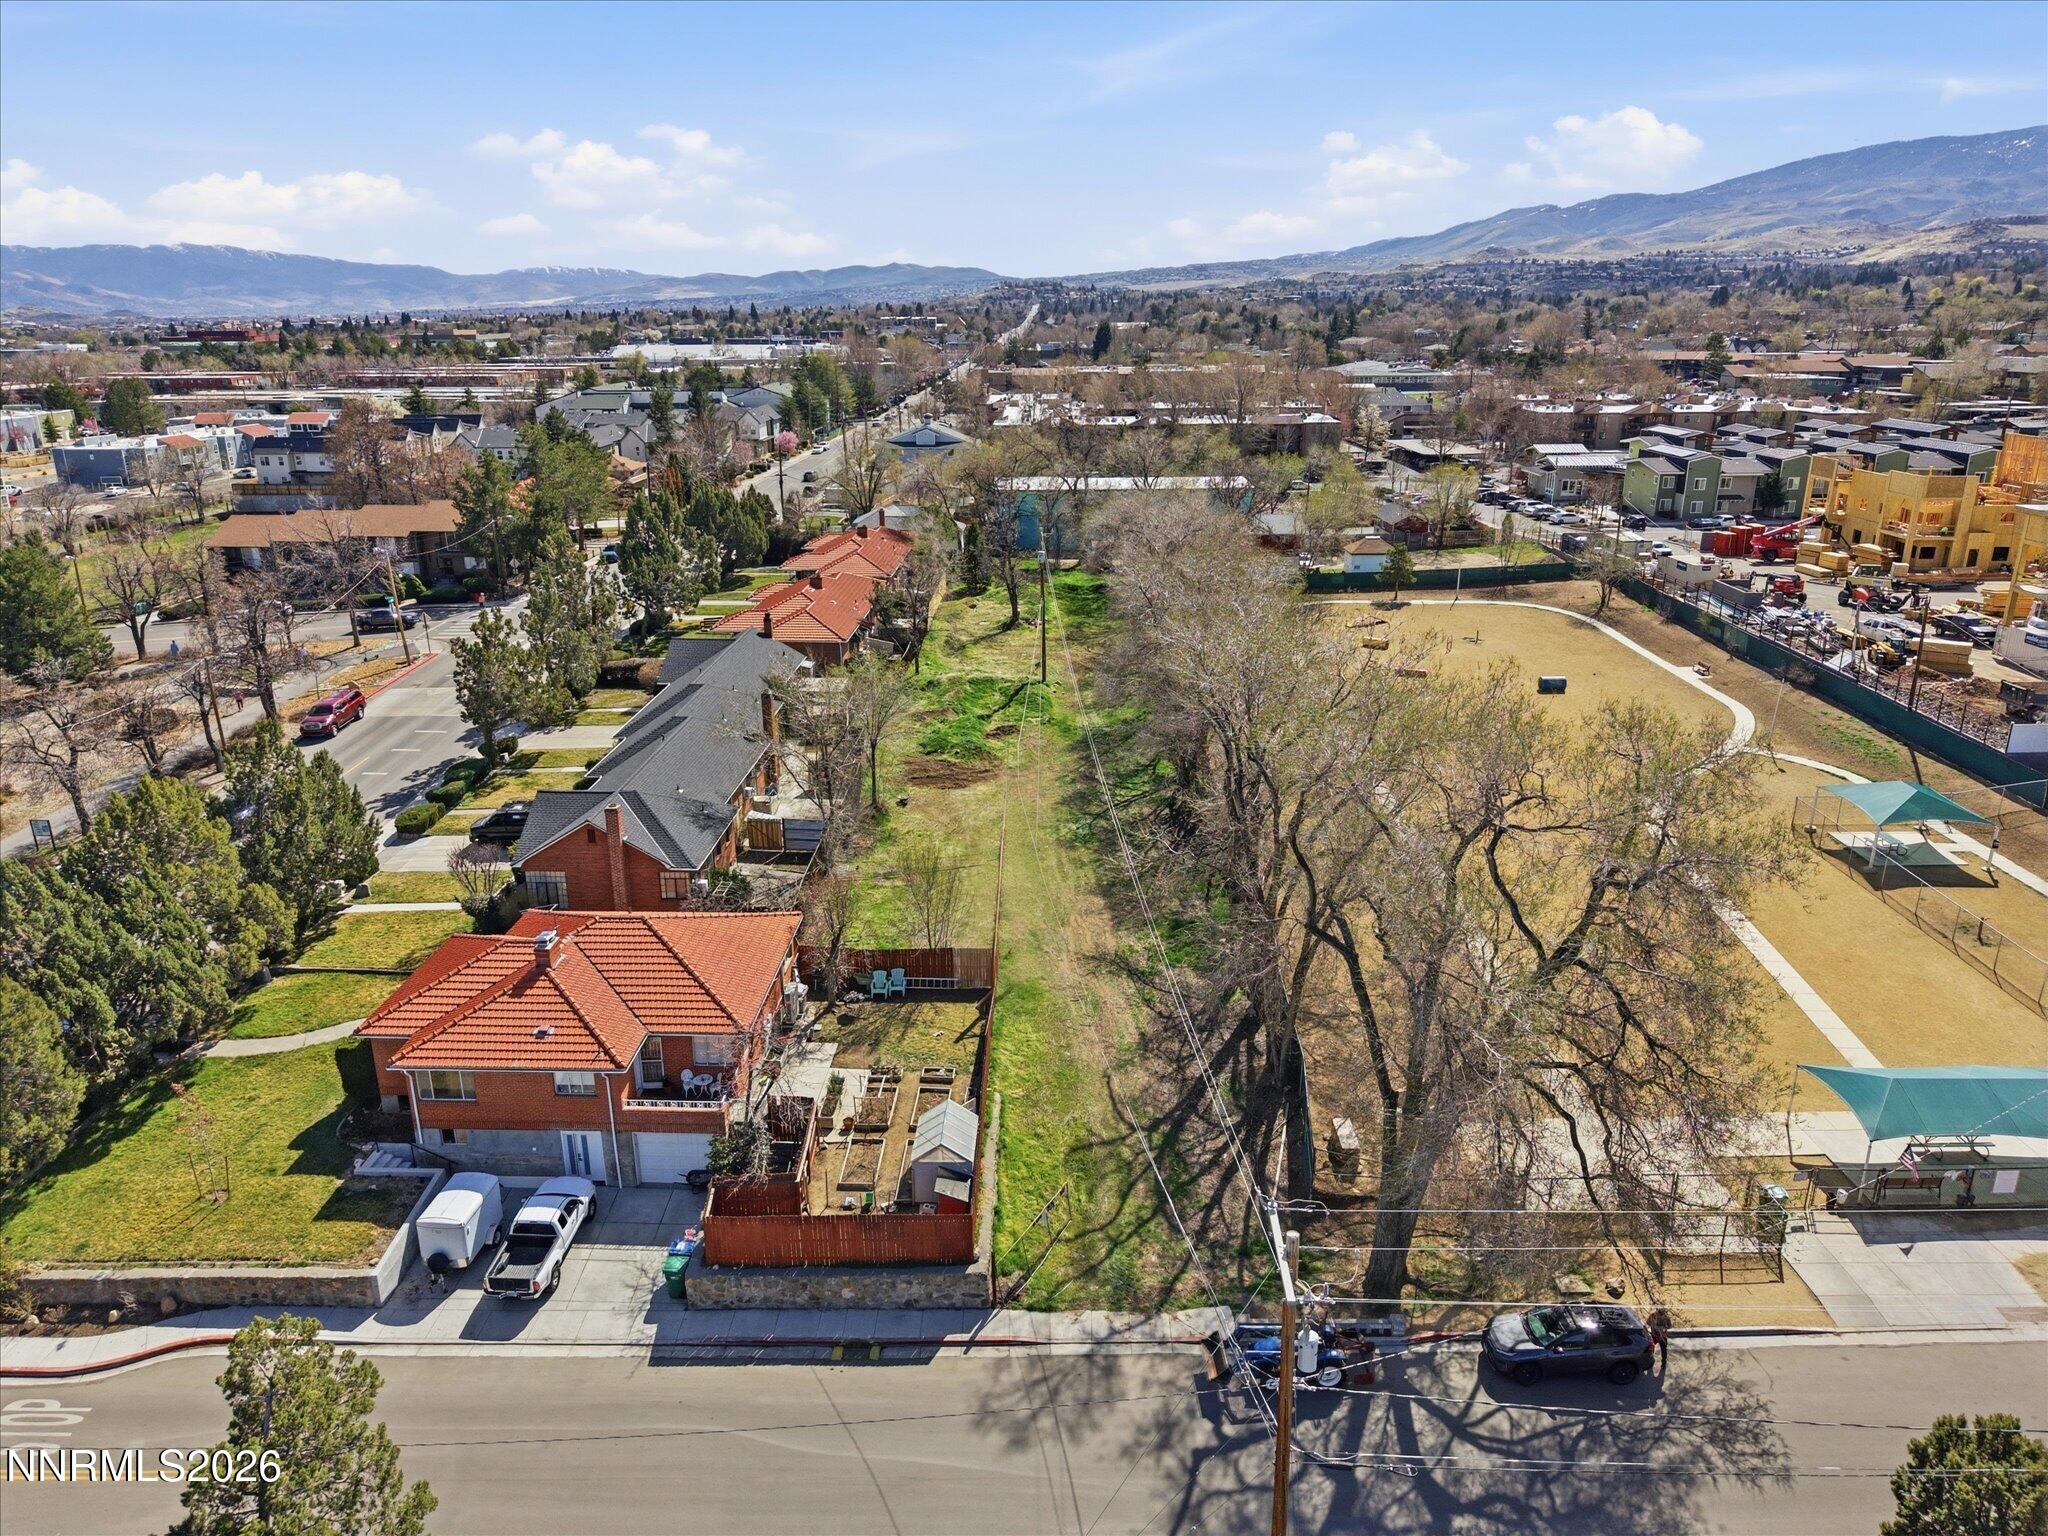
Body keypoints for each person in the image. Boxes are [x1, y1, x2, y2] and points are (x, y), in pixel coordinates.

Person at [1646, 1305, 1672, 1374]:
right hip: (1662, 1336)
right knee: (1663, 1350)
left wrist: (1654, 1326)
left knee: (1651, 1349)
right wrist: (1664, 1327)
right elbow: (1669, 1326)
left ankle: (1650, 1362)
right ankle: (1663, 1363)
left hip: (1655, 1335)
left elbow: (1647, 1322)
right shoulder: (1666, 1317)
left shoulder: (1653, 1315)